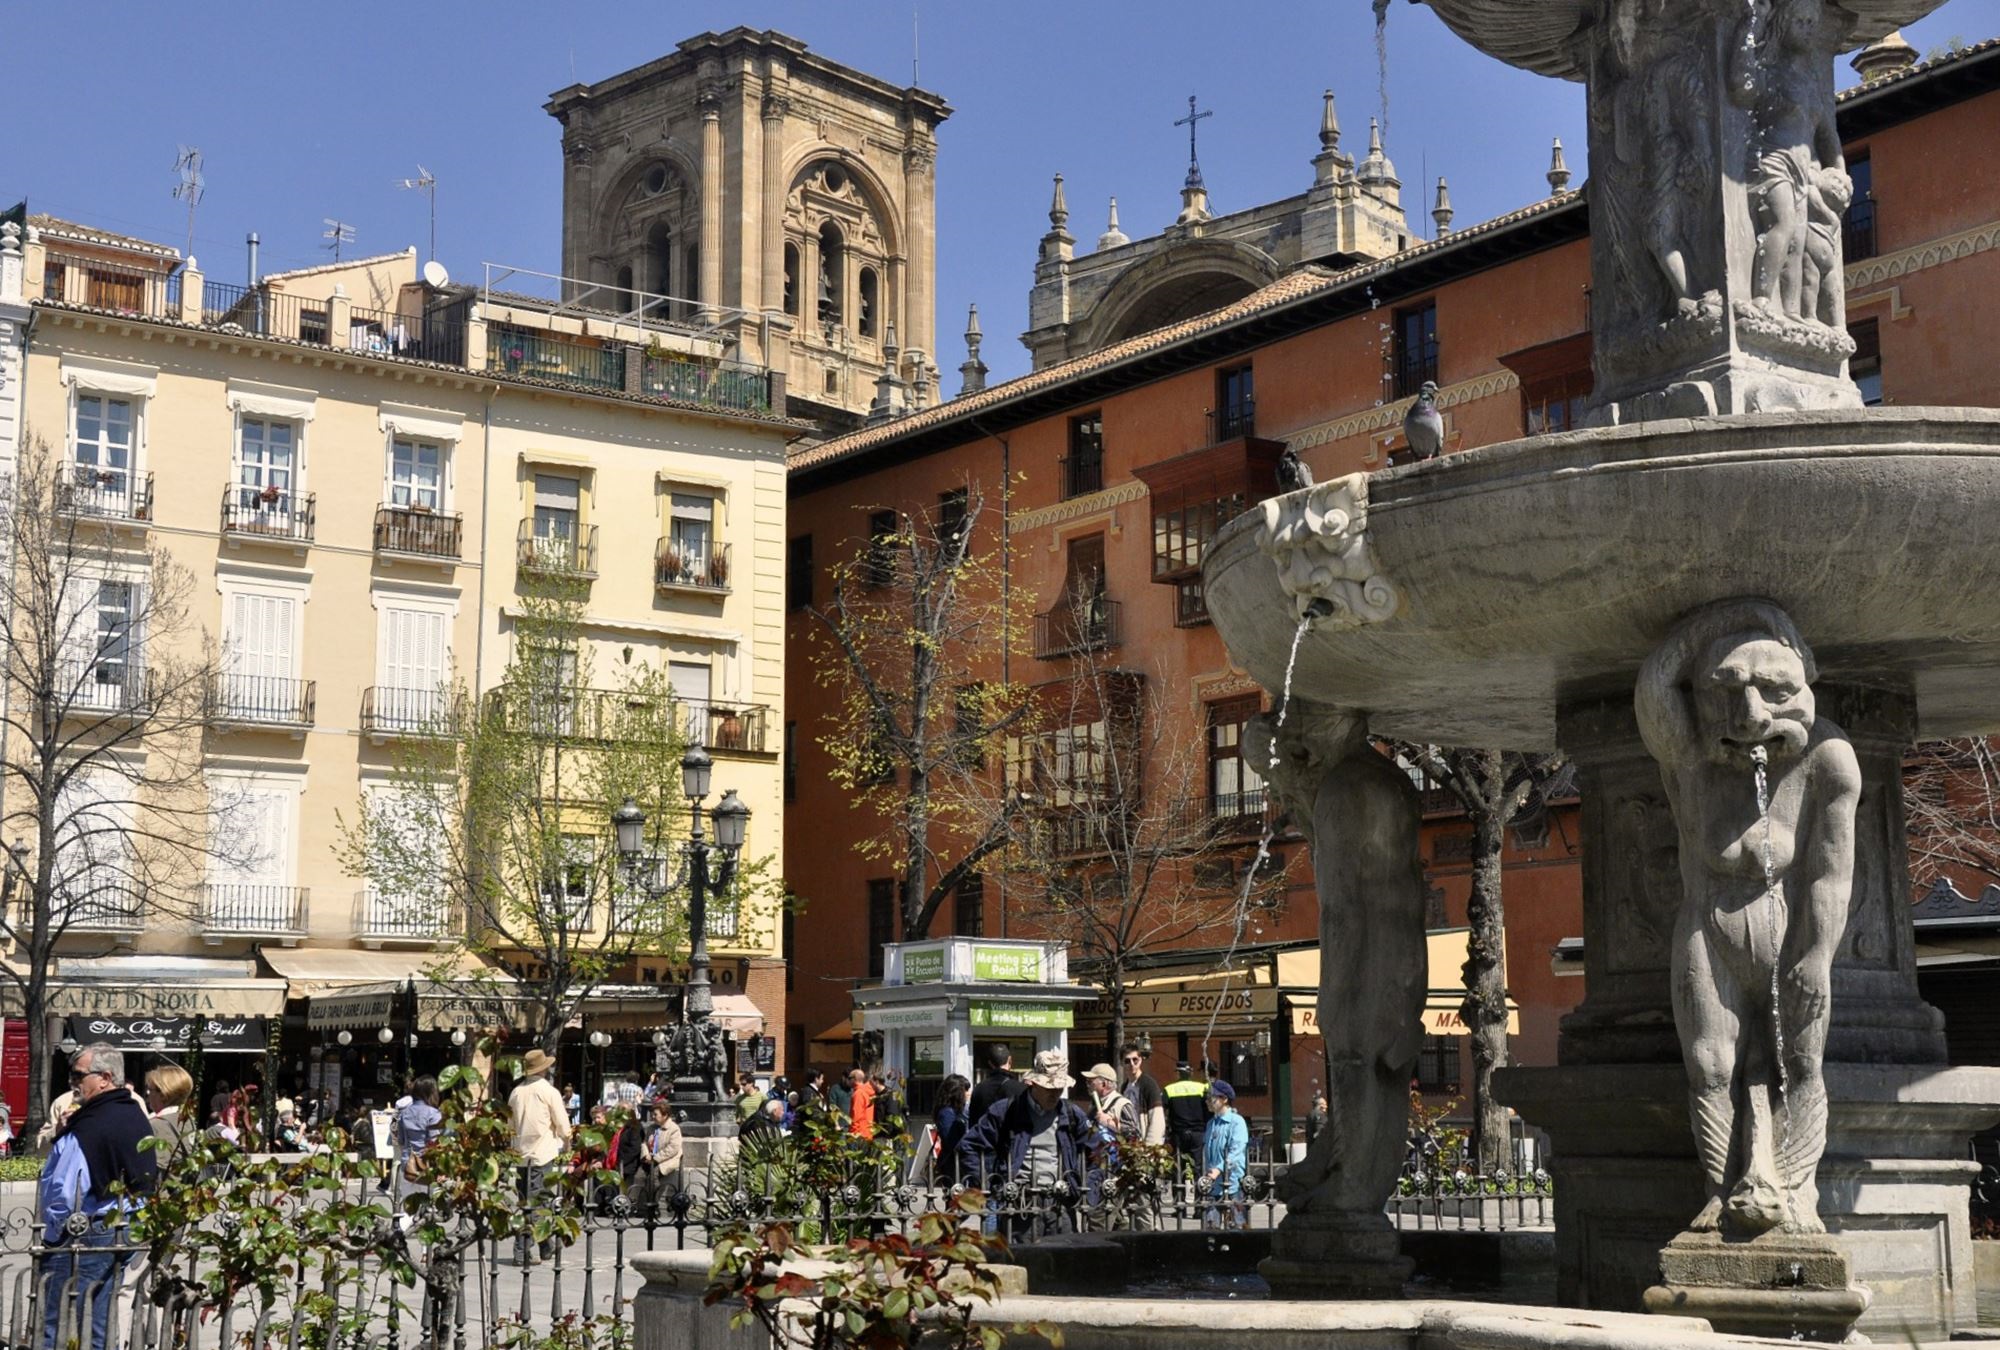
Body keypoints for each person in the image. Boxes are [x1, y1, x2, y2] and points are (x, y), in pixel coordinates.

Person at [40, 1044, 158, 1350]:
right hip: (121, 1224)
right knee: (98, 1317)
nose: (72, 1081)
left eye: (79, 1074)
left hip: (86, 1229)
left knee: (55, 1317)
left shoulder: (92, 1125)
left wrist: (53, 1234)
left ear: (104, 1077)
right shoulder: (130, 1111)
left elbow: (65, 1191)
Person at [958, 1051, 1098, 1238]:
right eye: (1049, 1089)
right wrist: (991, 1183)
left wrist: (1082, 1184)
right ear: (1033, 1084)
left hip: (1060, 1203)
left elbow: (1094, 1151)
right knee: (1022, 1261)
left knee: (1064, 1261)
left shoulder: (1071, 1113)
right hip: (1020, 1204)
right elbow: (968, 1146)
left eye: (1059, 1089)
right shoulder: (1006, 1111)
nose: (1055, 1094)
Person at [508, 1049, 571, 1262]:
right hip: (542, 1151)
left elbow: (510, 1125)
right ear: (544, 1069)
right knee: (536, 1202)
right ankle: (522, 1250)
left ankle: (546, 1245)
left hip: (521, 1153)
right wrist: (567, 1139)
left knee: (529, 1199)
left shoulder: (516, 1092)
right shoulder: (548, 1091)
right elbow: (562, 1123)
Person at [1199, 1080, 1248, 1230]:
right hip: (1212, 1186)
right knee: (1211, 1231)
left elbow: (1236, 1151)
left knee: (1237, 1229)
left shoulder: (1236, 1122)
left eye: (1211, 1097)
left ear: (1224, 1099)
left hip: (1232, 1185)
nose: (1207, 1101)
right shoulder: (1211, 1124)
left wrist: (1219, 1169)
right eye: (1206, 1097)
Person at [396, 1077, 442, 1199]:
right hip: (428, 1167)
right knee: (430, 1210)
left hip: (408, 1166)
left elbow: (401, 1140)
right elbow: (434, 1143)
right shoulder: (433, 1114)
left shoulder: (404, 1113)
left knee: (409, 1207)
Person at [1120, 1045, 1167, 1147]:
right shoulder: (1124, 1088)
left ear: (1140, 1060)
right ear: (1122, 1063)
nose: (1132, 1064)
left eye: (1135, 1060)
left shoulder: (1149, 1085)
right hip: (1130, 1144)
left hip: (1146, 1145)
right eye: (1127, 1061)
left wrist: (1150, 1148)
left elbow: (1157, 1119)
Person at [1164, 1062, 1210, 1165]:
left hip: (1179, 1133)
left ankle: (1180, 1179)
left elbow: (1163, 1110)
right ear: (1190, 1074)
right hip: (1198, 1133)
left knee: (1178, 1165)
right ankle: (1198, 1179)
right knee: (1198, 1165)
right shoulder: (1202, 1088)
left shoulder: (1169, 1089)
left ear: (1178, 1073)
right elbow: (1208, 1108)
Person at [968, 1044, 1025, 1126]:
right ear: (1010, 1060)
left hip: (985, 1137)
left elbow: (973, 1123)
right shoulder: (1021, 1089)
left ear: (990, 1063)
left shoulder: (979, 1089)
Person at [933, 1074, 971, 1188]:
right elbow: (951, 1140)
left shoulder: (960, 1110)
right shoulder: (947, 1113)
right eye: (966, 1090)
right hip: (953, 1163)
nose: (968, 1093)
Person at [641, 1101, 684, 1201]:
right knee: (645, 1173)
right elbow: (644, 1143)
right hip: (651, 1159)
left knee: (654, 1174)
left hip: (668, 1160)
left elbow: (673, 1148)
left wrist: (655, 1158)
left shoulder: (674, 1129)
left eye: (655, 1114)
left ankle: (652, 1202)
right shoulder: (651, 1128)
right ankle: (644, 1203)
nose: (653, 1117)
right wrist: (646, 1155)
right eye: (652, 1114)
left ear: (665, 1115)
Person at [847, 1069, 876, 1140]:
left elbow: (856, 1116)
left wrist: (852, 1134)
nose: (848, 1080)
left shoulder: (858, 1094)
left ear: (854, 1079)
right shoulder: (868, 1092)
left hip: (859, 1135)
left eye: (849, 1078)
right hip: (868, 1133)